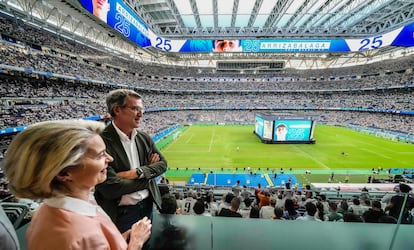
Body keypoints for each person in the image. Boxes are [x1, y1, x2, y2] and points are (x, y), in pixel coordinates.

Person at [3, 120, 151, 249]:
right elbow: (85, 239)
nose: (110, 159)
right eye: (100, 155)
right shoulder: (78, 234)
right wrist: (136, 243)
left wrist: (119, 239)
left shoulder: (51, 211)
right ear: (64, 173)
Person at [94, 89, 167, 235]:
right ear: (117, 110)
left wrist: (137, 172)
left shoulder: (143, 137)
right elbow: (110, 187)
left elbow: (163, 164)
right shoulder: (99, 140)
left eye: (141, 109)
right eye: (135, 109)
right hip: (120, 213)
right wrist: (148, 178)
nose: (141, 114)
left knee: (145, 245)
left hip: (147, 206)